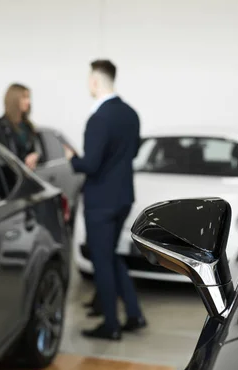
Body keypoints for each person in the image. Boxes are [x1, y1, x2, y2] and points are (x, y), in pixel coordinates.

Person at [64, 60, 146, 340]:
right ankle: (134, 314)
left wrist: (71, 159)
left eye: (89, 79)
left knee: (102, 261)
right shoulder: (131, 114)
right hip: (124, 197)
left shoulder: (98, 118)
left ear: (96, 82)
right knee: (111, 256)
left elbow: (91, 165)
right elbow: (132, 153)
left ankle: (110, 325)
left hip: (101, 202)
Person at [0, 83, 40, 170]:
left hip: (30, 175)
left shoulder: (28, 126)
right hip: (11, 177)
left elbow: (36, 150)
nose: (28, 102)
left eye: (28, 98)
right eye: (24, 98)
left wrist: (36, 156)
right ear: (14, 100)